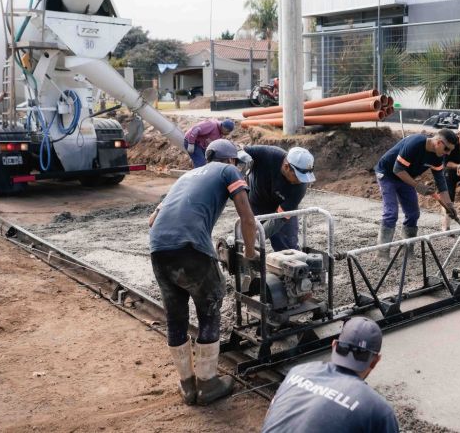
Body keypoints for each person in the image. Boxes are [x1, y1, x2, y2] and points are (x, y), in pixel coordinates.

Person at [148, 139, 257, 406]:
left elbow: (152, 220)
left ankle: (187, 385)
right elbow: (246, 215)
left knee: (176, 317)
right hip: (191, 248)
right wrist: (251, 254)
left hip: (159, 248)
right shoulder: (228, 171)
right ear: (231, 160)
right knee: (209, 306)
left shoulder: (186, 176)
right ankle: (207, 384)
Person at [261, 317, 399, 433]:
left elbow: (270, 416)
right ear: (375, 361)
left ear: (334, 346)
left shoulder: (297, 372)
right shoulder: (377, 409)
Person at [374, 129, 458, 259]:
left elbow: (441, 182)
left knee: (413, 214)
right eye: (447, 149)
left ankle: (407, 252)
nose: (448, 153)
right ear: (439, 142)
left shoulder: (438, 156)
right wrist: (417, 186)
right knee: (391, 213)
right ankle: (382, 254)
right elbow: (397, 169)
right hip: (387, 174)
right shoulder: (416, 143)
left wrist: (449, 205)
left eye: (451, 150)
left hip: (405, 177)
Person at [243, 145, 316, 251]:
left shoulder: (300, 187)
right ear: (286, 167)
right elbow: (237, 151)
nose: (301, 181)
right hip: (256, 203)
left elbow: (279, 218)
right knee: (246, 244)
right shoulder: (267, 154)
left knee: (288, 249)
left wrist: (257, 237)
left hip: (281, 209)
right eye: (298, 177)